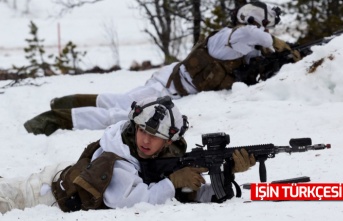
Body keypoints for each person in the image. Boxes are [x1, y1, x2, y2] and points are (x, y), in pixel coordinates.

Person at [24, 1, 301, 136]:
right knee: (121, 114)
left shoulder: (237, 40)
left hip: (169, 81)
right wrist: (285, 48)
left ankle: (63, 103)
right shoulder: (238, 35)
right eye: (267, 23)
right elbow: (262, 40)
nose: (268, 30)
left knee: (117, 102)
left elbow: (257, 55)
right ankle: (54, 119)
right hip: (167, 87)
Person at [1, 96, 256, 213]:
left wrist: (225, 173)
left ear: (168, 141)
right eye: (142, 131)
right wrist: (173, 182)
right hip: (44, 193)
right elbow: (127, 202)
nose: (146, 140)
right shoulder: (116, 153)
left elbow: (191, 194)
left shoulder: (166, 158)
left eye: (156, 136)